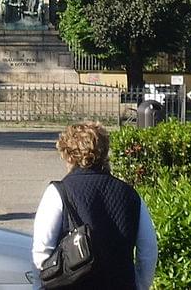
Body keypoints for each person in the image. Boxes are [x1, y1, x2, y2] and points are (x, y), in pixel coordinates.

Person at [32, 121, 157, 290]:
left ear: (68, 155)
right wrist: (139, 285)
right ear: (104, 152)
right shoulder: (130, 194)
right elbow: (148, 250)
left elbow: (41, 252)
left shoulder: (58, 193)